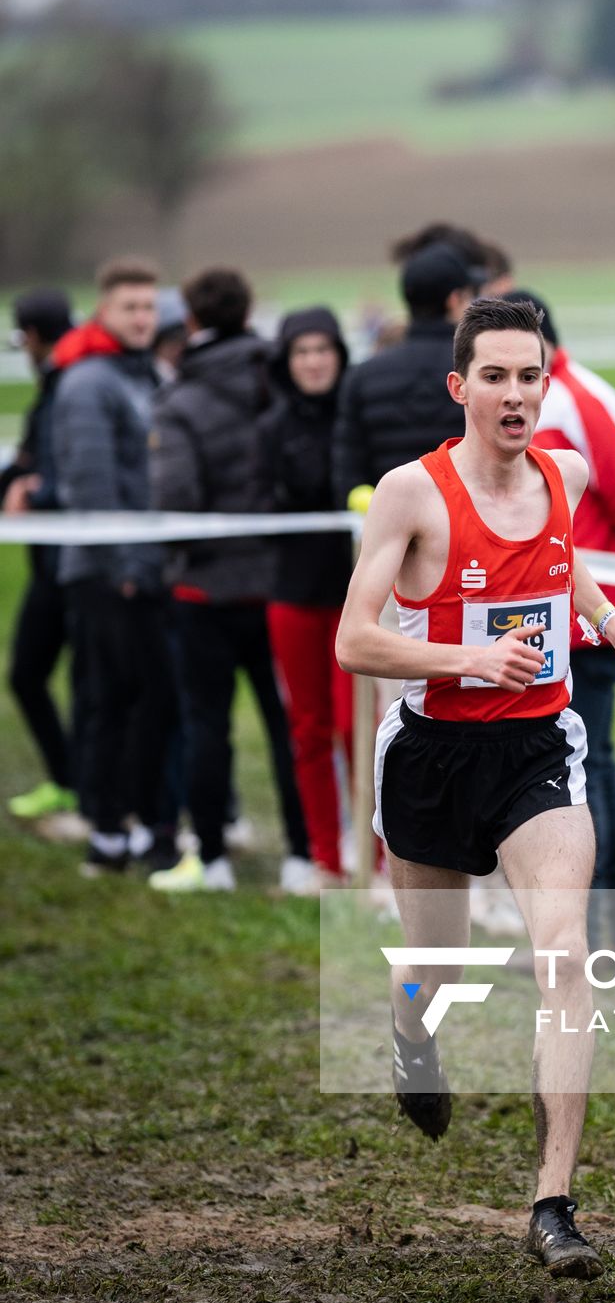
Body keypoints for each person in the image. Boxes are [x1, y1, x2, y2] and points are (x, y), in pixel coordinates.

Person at [335, 295, 615, 1278]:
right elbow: (354, 640)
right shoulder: (410, 493)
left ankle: (553, 1204)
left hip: (537, 751)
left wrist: (613, 630)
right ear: (460, 387)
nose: (516, 394)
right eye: (495, 376)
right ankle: (411, 1034)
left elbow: (567, 572)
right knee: (432, 972)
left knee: (564, 957)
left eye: (530, 375)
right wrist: (469, 660)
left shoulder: (564, 473)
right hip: (433, 756)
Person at [147, 268, 314, 895]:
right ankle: (305, 856)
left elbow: (177, 501)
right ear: (248, 314)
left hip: (204, 591)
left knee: (205, 727)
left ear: (190, 320)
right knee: (290, 727)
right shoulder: (283, 384)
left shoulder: (178, 400)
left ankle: (211, 859)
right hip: (278, 581)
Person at [521, 288, 615, 959]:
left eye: (521, 366)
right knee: (565, 775)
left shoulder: (576, 402)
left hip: (589, 623)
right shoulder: (544, 401)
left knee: (589, 772)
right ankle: (584, 935)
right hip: (545, 621)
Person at [49, 257, 179, 876]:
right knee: (110, 702)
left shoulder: (145, 372)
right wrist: (126, 564)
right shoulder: (88, 382)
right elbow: (91, 486)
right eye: (129, 307)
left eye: (149, 307)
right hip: (105, 573)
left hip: (144, 568)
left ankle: (132, 821)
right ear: (103, 311)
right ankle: (105, 830)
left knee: (143, 701)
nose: (141, 318)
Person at [258, 307, 353, 884]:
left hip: (355, 599)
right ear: (286, 361)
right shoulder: (270, 429)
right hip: (293, 596)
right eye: (302, 352)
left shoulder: (355, 415)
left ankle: (375, 856)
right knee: (310, 731)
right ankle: (326, 858)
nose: (314, 361)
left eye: (323, 349)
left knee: (357, 728)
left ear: (340, 354)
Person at [333, 232, 488, 505]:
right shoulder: (481, 367)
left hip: (392, 529)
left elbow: (347, 473)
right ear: (454, 300)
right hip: (467, 526)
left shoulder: (362, 376)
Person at [3, 289, 77, 821]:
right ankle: (70, 779)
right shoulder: (57, 381)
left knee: (31, 673)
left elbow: (57, 470)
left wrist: (34, 491)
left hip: (69, 563)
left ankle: (78, 784)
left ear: (30, 335)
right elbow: (29, 460)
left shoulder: (67, 383)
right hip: (54, 561)